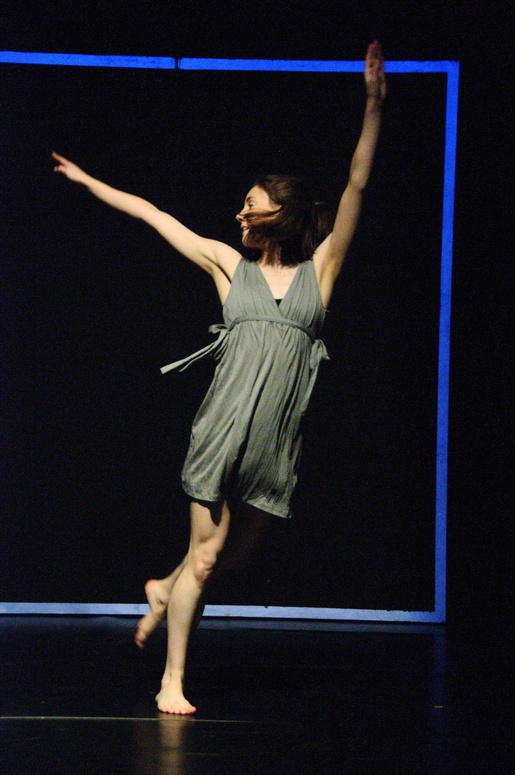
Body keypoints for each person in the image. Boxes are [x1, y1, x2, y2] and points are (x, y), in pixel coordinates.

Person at [52, 41, 386, 714]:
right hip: (223, 428)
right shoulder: (228, 268)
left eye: (249, 205)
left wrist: (374, 102)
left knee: (231, 560)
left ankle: (162, 589)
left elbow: (355, 186)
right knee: (204, 561)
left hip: (275, 442)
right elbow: (153, 214)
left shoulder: (321, 271)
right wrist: (89, 182)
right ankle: (171, 678)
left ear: (279, 213)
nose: (238, 214)